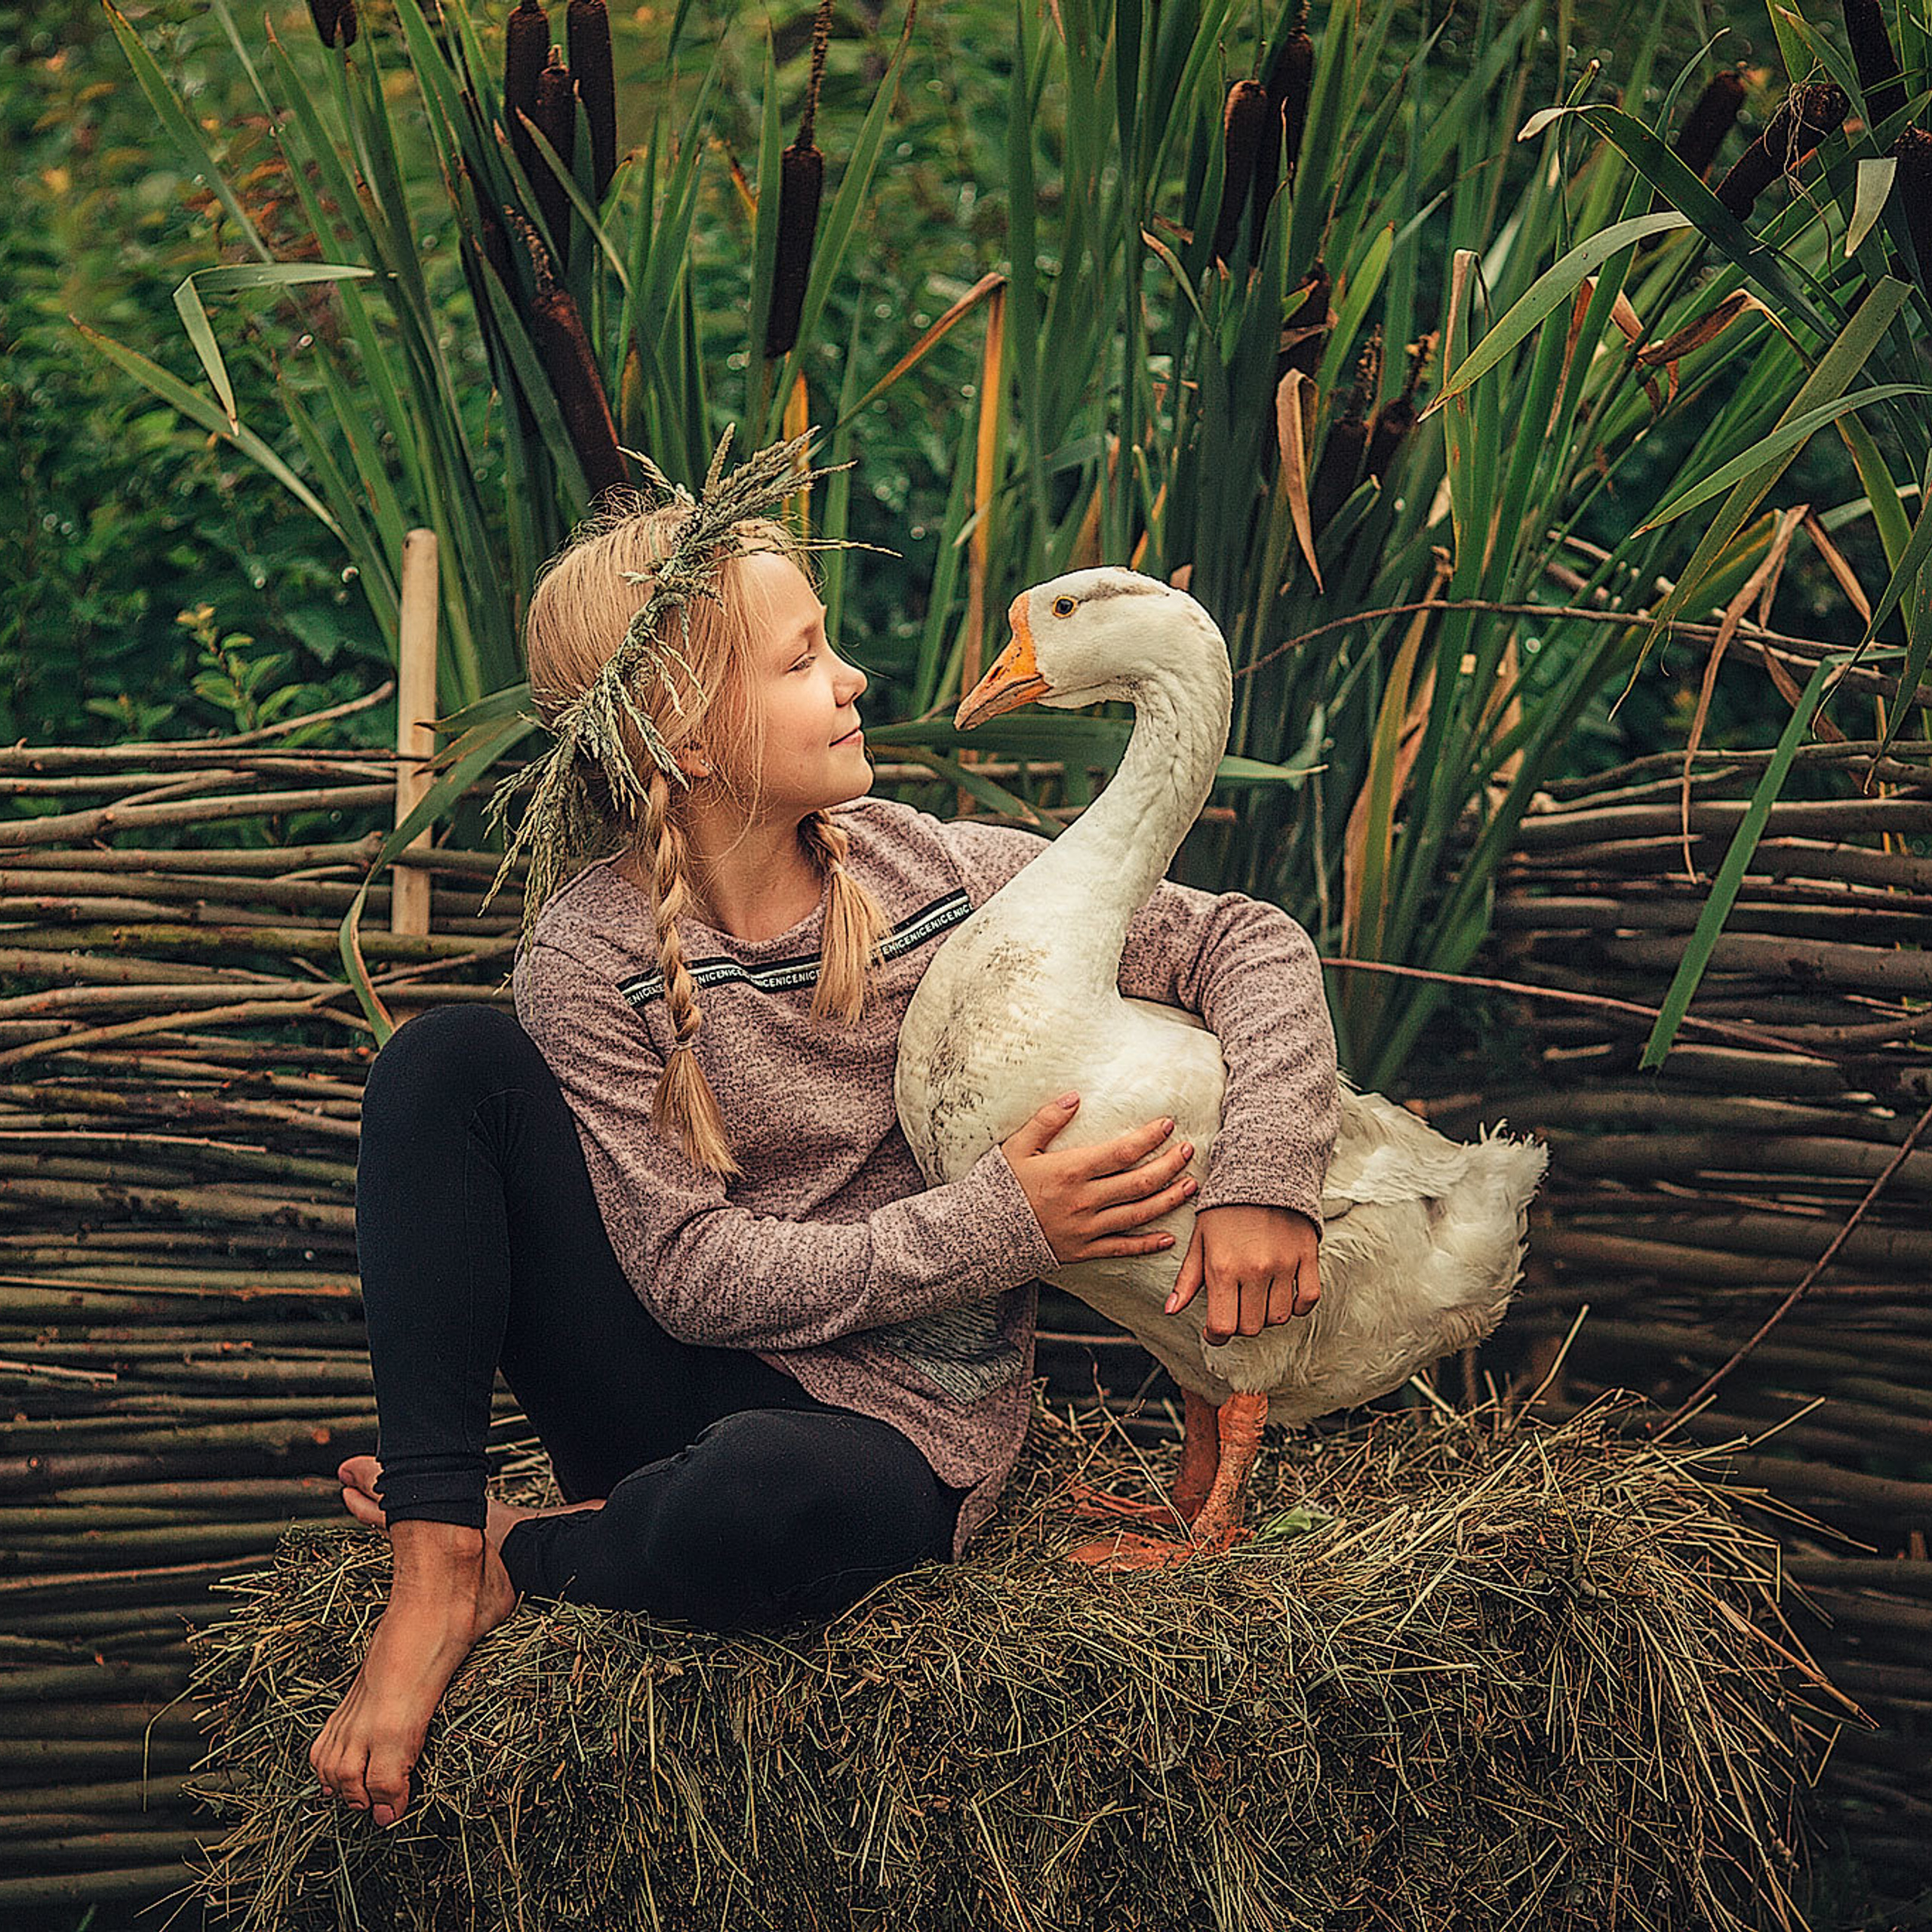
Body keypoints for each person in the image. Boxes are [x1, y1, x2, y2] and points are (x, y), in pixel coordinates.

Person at [309, 430, 1339, 1832]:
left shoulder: (939, 872)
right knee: (441, 1065)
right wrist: (1002, 1224)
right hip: (663, 1379)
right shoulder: (587, 957)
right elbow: (689, 1275)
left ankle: (532, 1557)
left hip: (891, 1433)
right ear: (686, 738)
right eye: (802, 661)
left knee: (770, 1501)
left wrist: (1268, 1174)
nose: (852, 678)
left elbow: (1246, 941)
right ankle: (438, 1557)